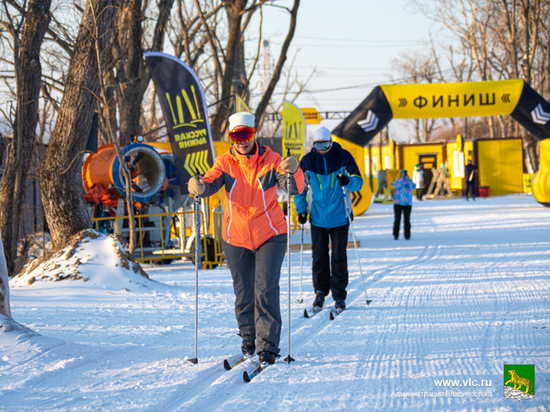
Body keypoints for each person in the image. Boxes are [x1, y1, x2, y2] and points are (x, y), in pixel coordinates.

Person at [187, 112, 305, 365]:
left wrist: (294, 171)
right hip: (235, 236)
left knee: (265, 290)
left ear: (254, 134)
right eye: (236, 136)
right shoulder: (224, 162)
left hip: (270, 234)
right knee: (243, 293)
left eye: (247, 135)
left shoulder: (272, 160)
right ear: (231, 137)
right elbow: (208, 184)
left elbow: (294, 188)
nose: (242, 141)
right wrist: (197, 186)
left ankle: (268, 346)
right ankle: (249, 339)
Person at [294, 127, 363, 312]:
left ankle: (339, 295)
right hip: (317, 217)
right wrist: (301, 210)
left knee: (339, 258)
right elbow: (300, 188)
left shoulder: (344, 157)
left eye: (325, 145)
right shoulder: (308, 161)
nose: (322, 149)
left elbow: (359, 182)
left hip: (339, 216)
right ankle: (320, 291)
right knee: (319, 257)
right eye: (318, 145)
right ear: (314, 145)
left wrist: (347, 182)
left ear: (331, 142)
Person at [392, 169, 416, 240]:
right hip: (398, 203)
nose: (403, 175)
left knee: (407, 220)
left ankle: (407, 235)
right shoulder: (397, 181)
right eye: (402, 174)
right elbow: (395, 186)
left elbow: (413, 187)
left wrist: (408, 181)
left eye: (404, 174)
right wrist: (401, 180)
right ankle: (396, 235)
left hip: (407, 203)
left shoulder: (408, 182)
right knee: (397, 219)